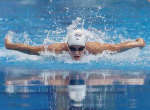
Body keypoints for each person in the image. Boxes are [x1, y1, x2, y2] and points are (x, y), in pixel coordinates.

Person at [5, 29, 145, 60]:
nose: (77, 52)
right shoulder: (57, 49)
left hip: (95, 45)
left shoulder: (94, 49)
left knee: (112, 49)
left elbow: (118, 47)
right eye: (73, 48)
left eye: (80, 49)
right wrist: (10, 45)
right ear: (67, 46)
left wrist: (138, 43)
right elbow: (30, 50)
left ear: (85, 47)